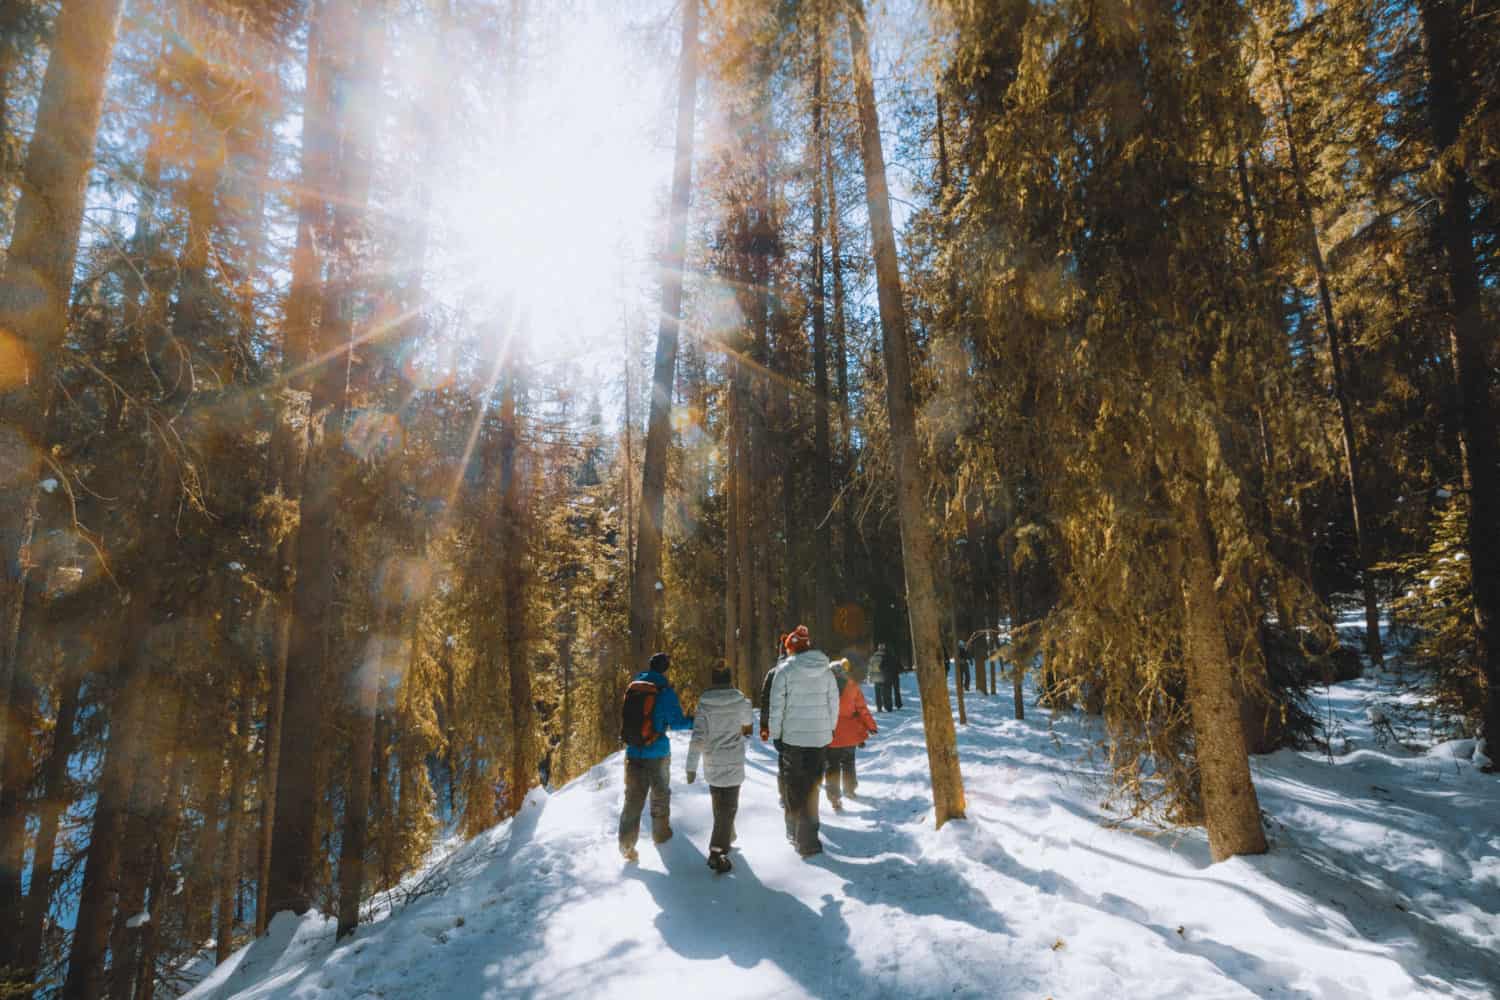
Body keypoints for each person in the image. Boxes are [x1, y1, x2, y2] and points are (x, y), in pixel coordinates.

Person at [768, 624, 839, 857]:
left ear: (791, 648)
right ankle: (808, 840)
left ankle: (794, 830)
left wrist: (776, 734)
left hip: (792, 739)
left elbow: (776, 707)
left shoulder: (785, 671)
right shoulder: (826, 670)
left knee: (793, 785)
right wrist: (829, 729)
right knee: (811, 787)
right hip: (819, 739)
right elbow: (833, 704)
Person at [618, 652, 692, 862]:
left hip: (633, 752)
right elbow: (677, 723)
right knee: (659, 795)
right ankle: (661, 835)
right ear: (665, 669)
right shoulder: (664, 691)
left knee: (632, 799)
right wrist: (693, 722)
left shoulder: (634, 687)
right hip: (657, 752)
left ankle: (626, 845)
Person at [686, 665, 752, 873]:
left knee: (720, 807)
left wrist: (691, 767)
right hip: (733, 760)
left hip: (712, 762)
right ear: (730, 679)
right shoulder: (739, 700)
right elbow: (747, 721)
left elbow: (698, 737)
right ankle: (717, 851)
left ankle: (727, 838)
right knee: (729, 807)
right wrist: (746, 704)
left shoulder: (704, 704)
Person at [825, 658, 877, 811]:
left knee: (832, 765)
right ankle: (849, 789)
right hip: (849, 734)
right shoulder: (852, 687)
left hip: (830, 733)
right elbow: (862, 709)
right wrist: (871, 726)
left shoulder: (822, 690)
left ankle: (834, 798)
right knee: (848, 761)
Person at [759, 634, 791, 809]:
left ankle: (784, 795)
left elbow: (765, 701)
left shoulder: (772, 673)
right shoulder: (799, 672)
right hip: (799, 726)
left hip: (779, 727)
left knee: (782, 759)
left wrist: (764, 726)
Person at [871, 641, 903, 712]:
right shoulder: (888, 655)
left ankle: (879, 707)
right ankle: (890, 706)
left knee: (878, 693)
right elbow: (887, 665)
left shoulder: (873, 656)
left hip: (876, 677)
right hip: (888, 676)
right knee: (888, 692)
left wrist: (871, 675)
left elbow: (871, 667)